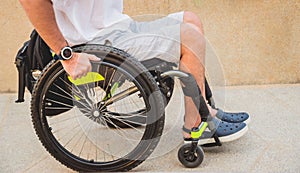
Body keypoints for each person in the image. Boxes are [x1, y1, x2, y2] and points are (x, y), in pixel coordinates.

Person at [19, 0, 250, 144]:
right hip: (98, 42)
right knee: (190, 39)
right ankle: (195, 125)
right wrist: (65, 55)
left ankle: (206, 108)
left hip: (119, 28)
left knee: (191, 19)